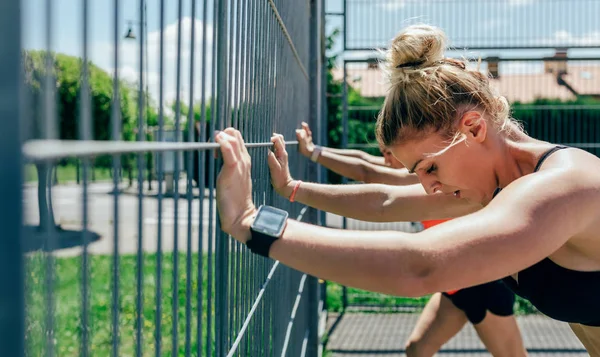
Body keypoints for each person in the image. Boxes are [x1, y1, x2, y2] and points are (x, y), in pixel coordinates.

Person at [213, 24, 600, 355]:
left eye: (430, 168)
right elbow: (386, 200)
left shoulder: (566, 186)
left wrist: (250, 222)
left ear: (474, 128)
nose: (429, 187)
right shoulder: (496, 189)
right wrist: (292, 189)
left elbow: (420, 265)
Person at [292, 122, 526, 356]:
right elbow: (363, 159)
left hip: (482, 283)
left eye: (388, 154)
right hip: (455, 281)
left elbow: (366, 171)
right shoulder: (410, 171)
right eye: (383, 153)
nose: (385, 160)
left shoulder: (425, 177)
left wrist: (312, 154)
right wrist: (315, 149)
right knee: (417, 350)